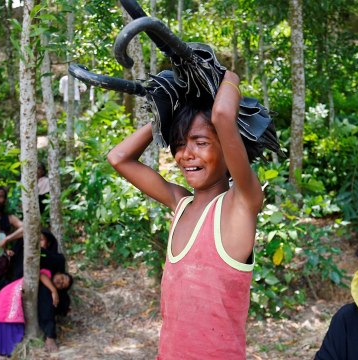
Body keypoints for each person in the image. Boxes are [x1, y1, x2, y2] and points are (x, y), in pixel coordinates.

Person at [107, 70, 261, 358]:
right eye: (179, 144)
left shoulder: (239, 205)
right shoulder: (180, 203)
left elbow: (224, 116)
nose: (186, 154)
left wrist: (229, 76)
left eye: (201, 143)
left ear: (228, 149)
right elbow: (118, 158)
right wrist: (162, 117)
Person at [0, 267, 73, 357]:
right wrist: (54, 291)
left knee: (11, 329)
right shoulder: (48, 275)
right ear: (58, 273)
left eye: (62, 285)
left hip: (16, 297)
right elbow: (41, 275)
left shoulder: (46, 290)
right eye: (62, 278)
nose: (60, 282)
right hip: (11, 291)